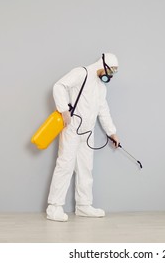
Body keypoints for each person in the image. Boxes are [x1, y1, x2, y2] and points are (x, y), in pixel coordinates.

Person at [46, 53, 119, 222]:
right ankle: (54, 207)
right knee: (65, 165)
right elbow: (59, 86)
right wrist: (64, 110)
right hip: (72, 129)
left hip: (88, 132)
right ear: (103, 64)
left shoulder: (101, 87)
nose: (111, 75)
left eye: (114, 72)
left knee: (86, 168)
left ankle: (84, 205)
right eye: (111, 70)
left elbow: (103, 110)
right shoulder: (81, 73)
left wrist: (112, 132)